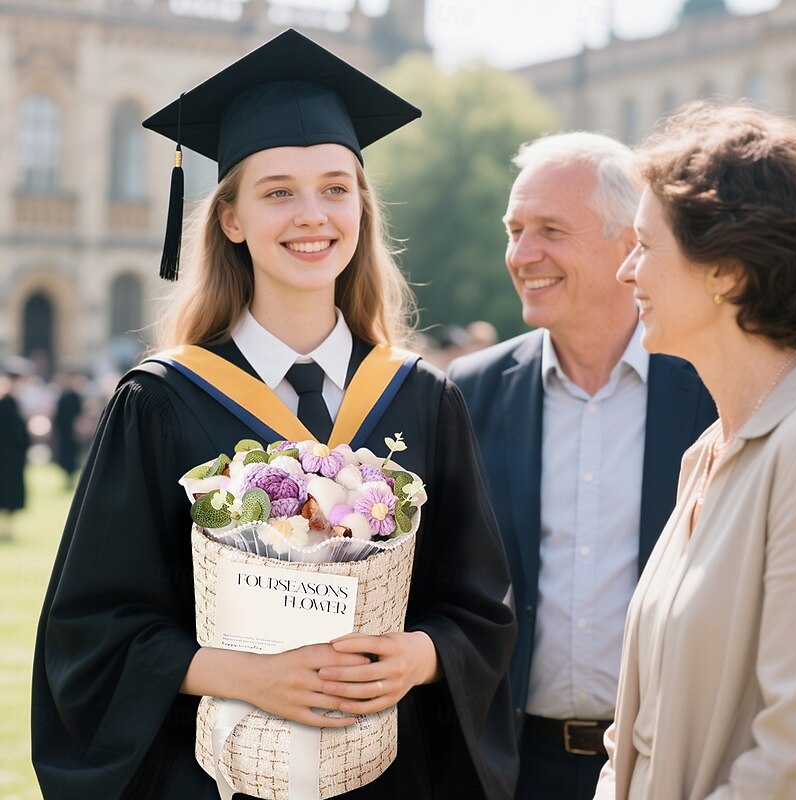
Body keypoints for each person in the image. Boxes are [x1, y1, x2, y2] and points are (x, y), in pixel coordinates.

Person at [31, 30, 517, 800]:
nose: (312, 215)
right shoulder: (160, 402)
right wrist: (245, 676)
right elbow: (92, 632)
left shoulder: (422, 398)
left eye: (334, 187)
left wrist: (420, 656)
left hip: (389, 778)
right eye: (278, 191)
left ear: (360, 205)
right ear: (230, 218)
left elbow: (478, 608)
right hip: (213, 778)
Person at [448, 132, 716, 800]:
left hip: (666, 767)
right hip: (510, 768)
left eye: (549, 230)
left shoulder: (712, 390)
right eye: (514, 230)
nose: (521, 255)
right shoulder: (468, 392)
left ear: (630, 244)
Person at [595, 103, 796, 799]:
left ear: (729, 274)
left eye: (646, 246)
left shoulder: (795, 453)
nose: (626, 272)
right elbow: (634, 734)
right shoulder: (706, 453)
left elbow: (788, 759)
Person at [0, 359, 31, 541]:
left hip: (13, 457)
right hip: (5, 457)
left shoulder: (14, 403)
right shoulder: (6, 404)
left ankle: (7, 529)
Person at [52, 367, 86, 489]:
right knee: (65, 455)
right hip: (64, 431)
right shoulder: (63, 396)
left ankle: (71, 478)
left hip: (73, 431)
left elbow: (80, 414)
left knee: (73, 455)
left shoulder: (76, 396)